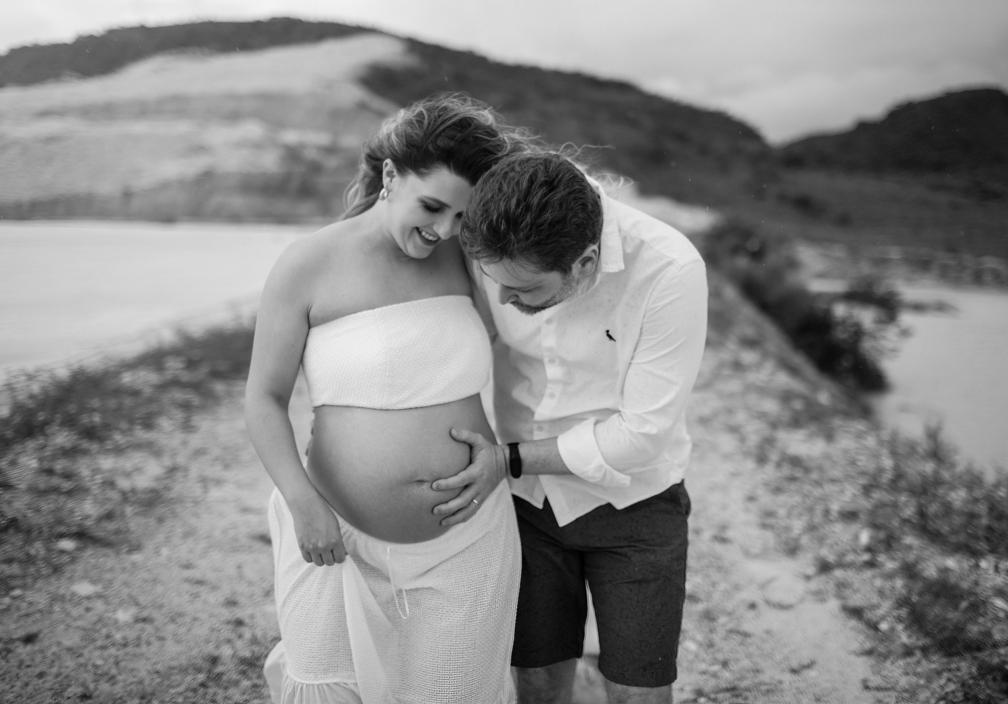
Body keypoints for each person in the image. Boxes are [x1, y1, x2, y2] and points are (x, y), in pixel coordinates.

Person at [244, 94, 524, 704]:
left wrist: (504, 456)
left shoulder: (469, 260)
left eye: (460, 216)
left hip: (468, 538)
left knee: (452, 692)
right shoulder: (308, 264)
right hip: (332, 535)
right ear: (391, 176)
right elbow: (264, 399)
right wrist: (303, 504)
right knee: (327, 689)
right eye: (432, 207)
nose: (444, 230)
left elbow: (519, 345)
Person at [432, 152, 709, 704]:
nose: (504, 300)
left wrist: (506, 459)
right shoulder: (500, 238)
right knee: (536, 684)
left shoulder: (670, 269)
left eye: (525, 290)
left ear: (584, 263)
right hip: (527, 508)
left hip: (638, 508)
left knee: (638, 692)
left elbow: (642, 434)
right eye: (495, 281)